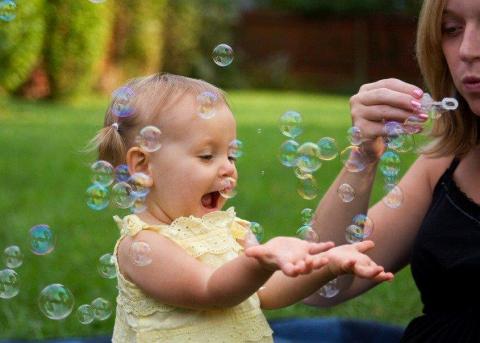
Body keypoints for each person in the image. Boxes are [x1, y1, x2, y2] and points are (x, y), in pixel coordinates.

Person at [88, 73, 393, 342]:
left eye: (231, 156)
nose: (227, 169)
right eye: (207, 156)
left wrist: (328, 264)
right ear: (143, 166)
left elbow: (267, 292)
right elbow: (211, 290)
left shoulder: (230, 230)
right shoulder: (143, 244)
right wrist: (259, 263)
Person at [305, 0, 480, 341]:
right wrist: (364, 157)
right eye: (451, 29)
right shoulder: (446, 162)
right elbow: (319, 286)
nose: (468, 50)